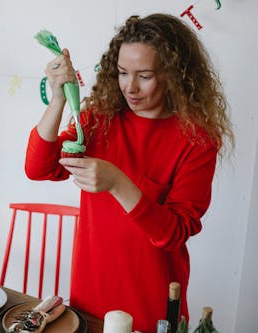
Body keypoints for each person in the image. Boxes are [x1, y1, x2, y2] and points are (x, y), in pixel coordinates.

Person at [24, 13, 234, 333]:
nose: (130, 88)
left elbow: (176, 232)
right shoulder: (101, 118)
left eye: (145, 75)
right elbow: (39, 168)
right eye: (122, 73)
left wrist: (118, 182)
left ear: (175, 75)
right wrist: (56, 100)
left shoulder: (197, 140)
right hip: (90, 290)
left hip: (151, 302)